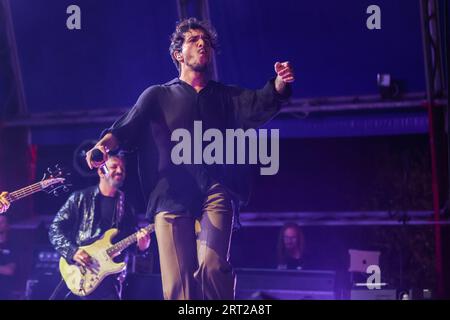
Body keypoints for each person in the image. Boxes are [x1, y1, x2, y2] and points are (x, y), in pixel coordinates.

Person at [86, 17, 294, 300]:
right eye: (194, 40)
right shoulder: (158, 95)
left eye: (206, 41)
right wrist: (101, 148)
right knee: (179, 286)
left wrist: (280, 84)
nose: (201, 44)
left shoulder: (224, 96)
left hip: (216, 187)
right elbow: (124, 128)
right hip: (170, 195)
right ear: (178, 54)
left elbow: (259, 103)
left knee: (211, 266)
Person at [49, 153, 151, 300]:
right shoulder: (80, 198)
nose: (120, 170)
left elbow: (130, 242)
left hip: (109, 281)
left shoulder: (126, 206)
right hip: (79, 272)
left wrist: (142, 247)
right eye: (114, 166)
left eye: (122, 168)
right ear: (101, 171)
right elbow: (55, 229)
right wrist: (73, 251)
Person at [0, 215, 17, 299]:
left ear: (7, 225)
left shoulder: (12, 246)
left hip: (4, 292)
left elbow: (9, 270)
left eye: (2, 222)